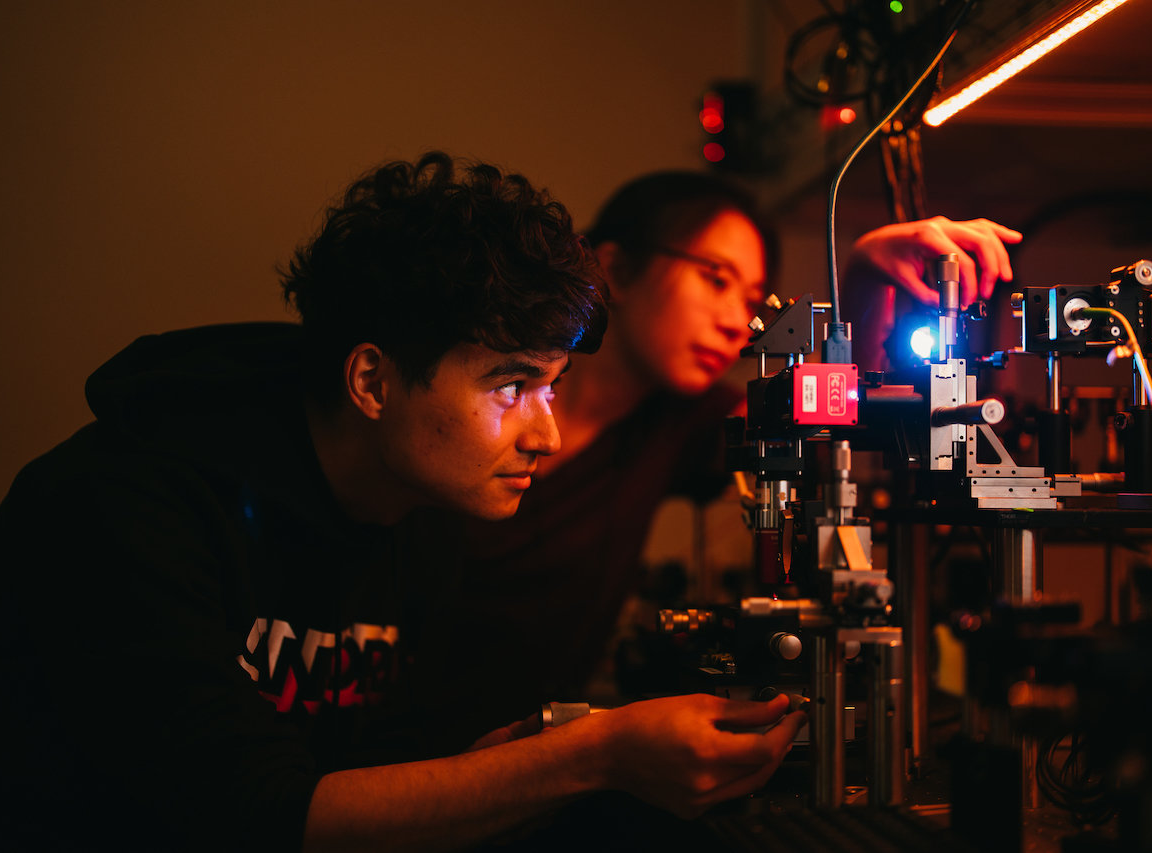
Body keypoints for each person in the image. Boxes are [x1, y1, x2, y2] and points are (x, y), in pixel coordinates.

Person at [0, 153, 807, 852]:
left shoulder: (416, 517)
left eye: (552, 386)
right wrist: (593, 756)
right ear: (372, 380)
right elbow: (258, 818)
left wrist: (527, 759)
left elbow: (370, 775)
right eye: (511, 386)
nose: (546, 436)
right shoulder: (125, 505)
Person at [435, 170, 1023, 744]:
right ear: (612, 269)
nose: (734, 322)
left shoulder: (679, 421)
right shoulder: (451, 413)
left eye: (749, 300)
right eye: (715, 279)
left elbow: (834, 423)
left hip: (528, 768)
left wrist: (865, 280)